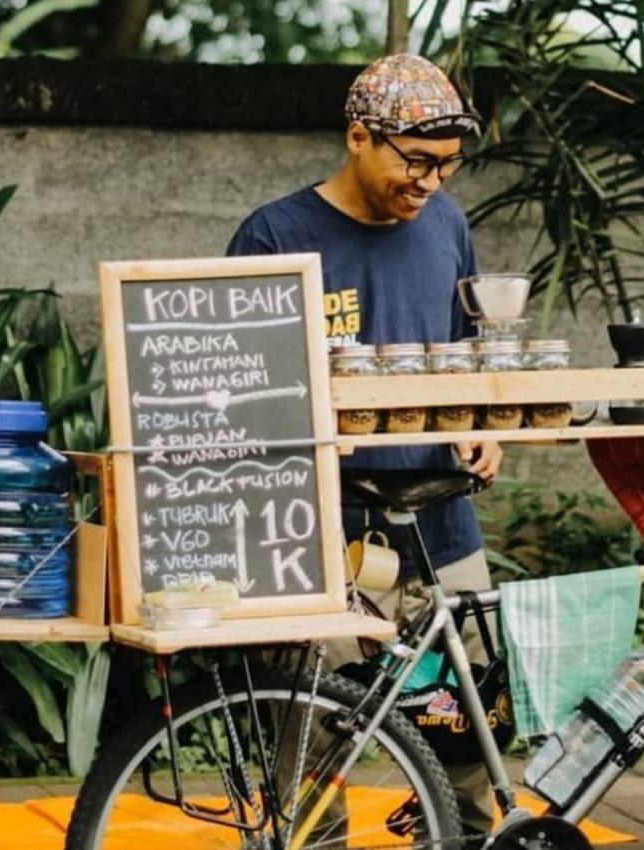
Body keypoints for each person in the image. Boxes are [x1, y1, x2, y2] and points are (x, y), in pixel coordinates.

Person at [226, 53, 502, 838]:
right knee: (313, 748)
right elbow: (239, 399)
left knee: (470, 734)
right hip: (321, 538)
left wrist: (477, 430)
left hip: (443, 529)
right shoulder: (275, 236)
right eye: (416, 162)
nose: (431, 183)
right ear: (357, 137)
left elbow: (464, 354)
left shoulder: (447, 225)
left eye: (446, 166)